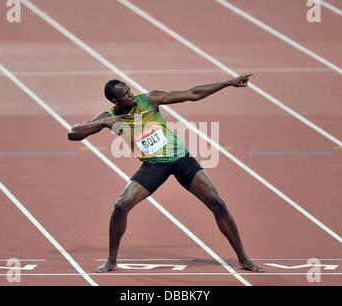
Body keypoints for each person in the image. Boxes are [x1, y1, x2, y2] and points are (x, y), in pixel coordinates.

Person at [68, 74, 264, 273]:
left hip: (181, 159)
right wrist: (109, 121)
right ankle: (111, 260)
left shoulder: (149, 100)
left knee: (218, 203)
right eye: (126, 94)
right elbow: (73, 133)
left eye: (129, 90)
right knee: (121, 205)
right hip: (153, 166)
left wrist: (227, 83)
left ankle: (243, 259)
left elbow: (192, 94)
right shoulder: (108, 117)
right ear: (115, 101)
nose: (131, 95)